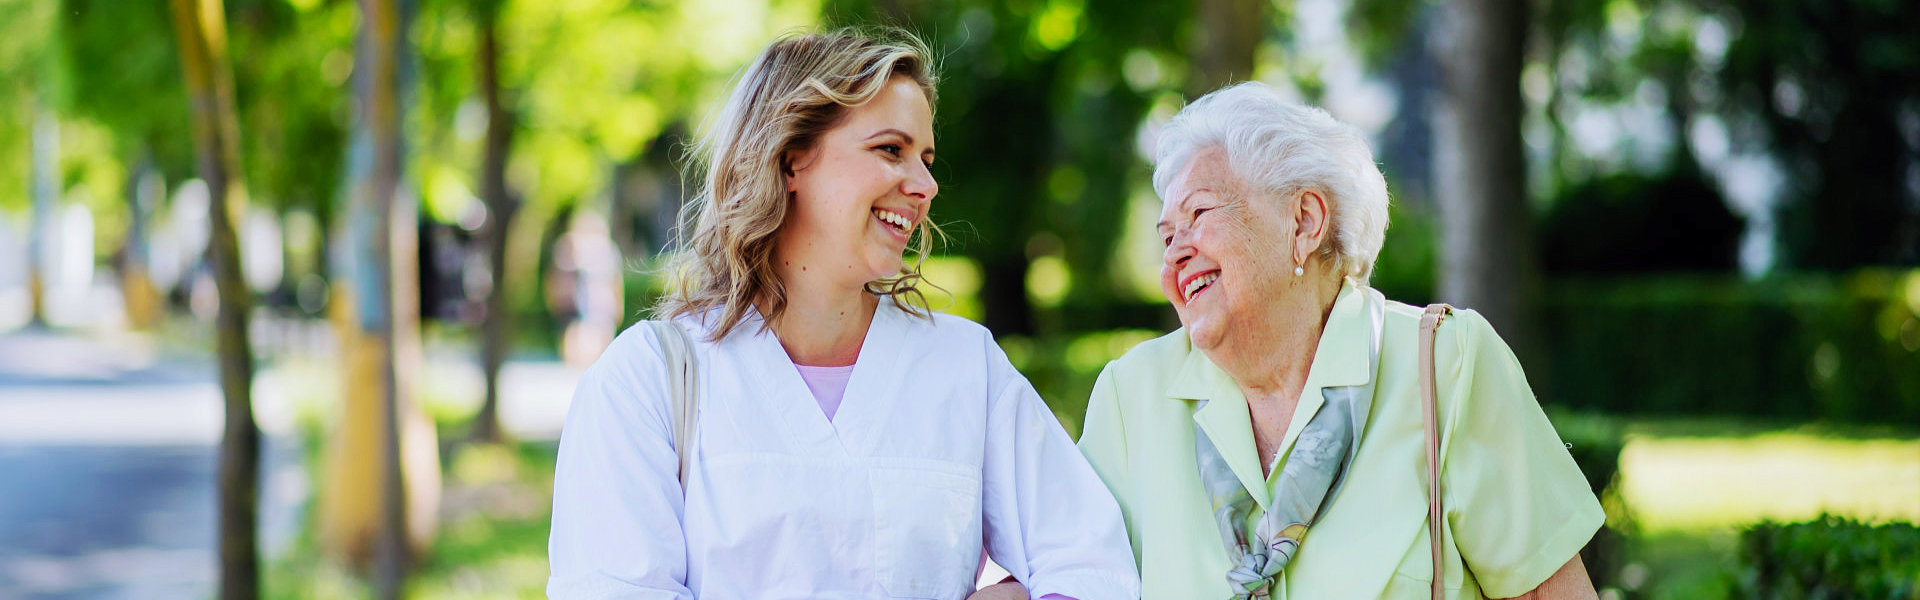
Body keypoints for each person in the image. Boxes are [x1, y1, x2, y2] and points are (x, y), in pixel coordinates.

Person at [546, 28, 1138, 600]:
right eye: (890, 150)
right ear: (790, 160)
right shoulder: (650, 380)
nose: (926, 185)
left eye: (927, 158)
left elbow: (1091, 560)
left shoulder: (966, 367)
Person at [1074, 82, 1604, 599]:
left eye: (1198, 215)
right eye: (1167, 237)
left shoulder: (1446, 366)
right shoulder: (1130, 397)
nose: (1174, 255)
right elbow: (1068, 580)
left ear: (1304, 222)